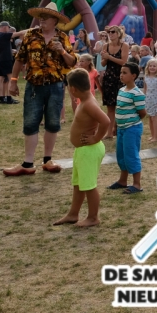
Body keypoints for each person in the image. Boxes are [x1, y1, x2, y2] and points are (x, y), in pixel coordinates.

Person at [3, 3, 76, 176]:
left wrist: (62, 52)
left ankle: (47, 160)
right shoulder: (30, 35)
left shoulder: (62, 37)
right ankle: (28, 163)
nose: (41, 20)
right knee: (30, 122)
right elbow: (19, 59)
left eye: (45, 17)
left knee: (53, 123)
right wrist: (13, 81)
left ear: (55, 20)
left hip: (56, 86)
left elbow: (72, 62)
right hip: (34, 86)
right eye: (40, 17)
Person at [53, 68, 110, 227]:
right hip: (82, 151)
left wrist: (96, 138)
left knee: (89, 186)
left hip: (89, 151)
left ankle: (93, 217)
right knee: (79, 184)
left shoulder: (89, 103)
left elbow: (105, 121)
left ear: (73, 89)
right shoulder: (85, 100)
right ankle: (73, 214)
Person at [105, 63, 147, 194]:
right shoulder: (122, 90)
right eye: (121, 72)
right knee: (121, 155)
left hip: (132, 129)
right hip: (121, 129)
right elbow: (118, 110)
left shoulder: (137, 93)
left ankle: (137, 184)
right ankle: (122, 181)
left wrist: (131, 122)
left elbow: (142, 113)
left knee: (131, 155)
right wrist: (116, 126)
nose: (121, 75)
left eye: (124, 73)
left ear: (133, 76)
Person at [100, 26, 130, 139]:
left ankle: (117, 129)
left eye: (113, 32)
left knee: (121, 105)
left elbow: (123, 62)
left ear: (118, 34)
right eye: (109, 32)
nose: (110, 34)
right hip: (109, 78)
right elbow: (103, 64)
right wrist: (105, 58)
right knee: (110, 107)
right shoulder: (105, 46)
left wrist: (109, 57)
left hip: (120, 77)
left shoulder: (124, 45)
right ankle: (109, 133)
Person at [0, 21, 25, 105]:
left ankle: (1, 98)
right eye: (8, 28)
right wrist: (32, 29)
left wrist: (6, 51)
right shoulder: (4, 35)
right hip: (6, 59)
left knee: (0, 78)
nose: (8, 30)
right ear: (5, 27)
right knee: (10, 78)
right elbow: (19, 33)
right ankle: (9, 98)